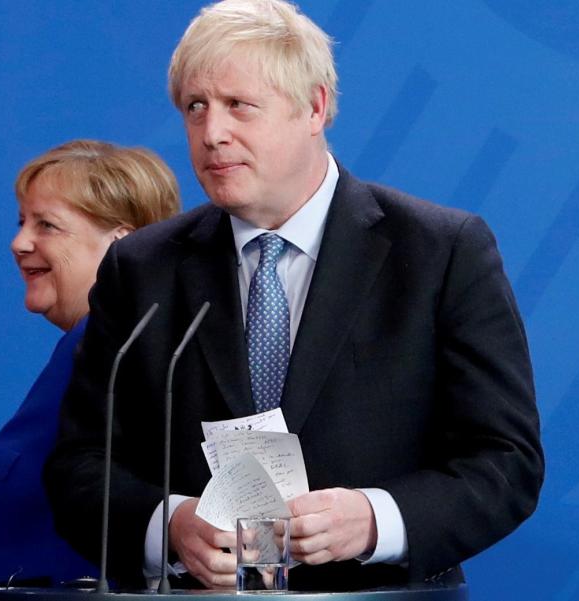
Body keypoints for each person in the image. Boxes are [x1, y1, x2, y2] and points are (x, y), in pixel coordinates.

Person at [45, 0, 544, 592]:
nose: (212, 133)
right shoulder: (143, 267)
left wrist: (376, 519)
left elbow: (506, 461)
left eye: (239, 106)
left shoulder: (439, 251)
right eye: (195, 108)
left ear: (314, 108)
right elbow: (79, 466)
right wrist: (170, 526)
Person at [0, 140, 181, 600]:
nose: (19, 243)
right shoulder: (77, 352)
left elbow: (128, 533)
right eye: (23, 222)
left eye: (47, 225)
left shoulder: (123, 360)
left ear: (124, 245)